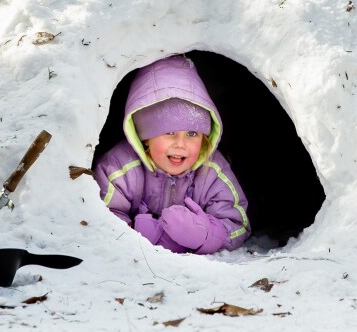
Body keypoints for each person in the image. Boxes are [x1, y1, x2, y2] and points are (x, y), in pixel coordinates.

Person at [94, 55, 251, 254]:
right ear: (145, 137)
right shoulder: (120, 167)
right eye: (169, 133)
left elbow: (238, 224)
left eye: (192, 134)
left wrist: (205, 235)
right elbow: (100, 218)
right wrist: (137, 235)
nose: (181, 144)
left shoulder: (212, 170)